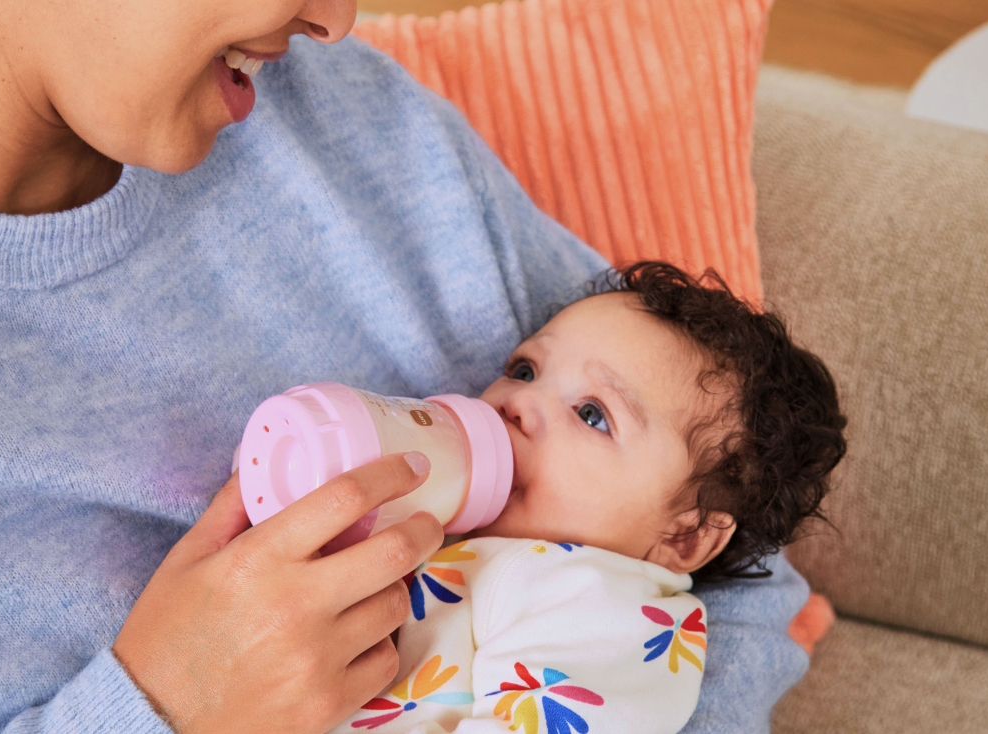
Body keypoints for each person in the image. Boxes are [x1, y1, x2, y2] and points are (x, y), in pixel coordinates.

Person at [0, 0, 813, 730]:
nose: (338, 17)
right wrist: (157, 708)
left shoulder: (357, 130)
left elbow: (737, 571)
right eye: (525, 373)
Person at [326, 263, 845, 732]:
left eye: (592, 414)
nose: (518, 402)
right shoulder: (454, 522)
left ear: (686, 535)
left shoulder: (601, 610)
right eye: (525, 370)